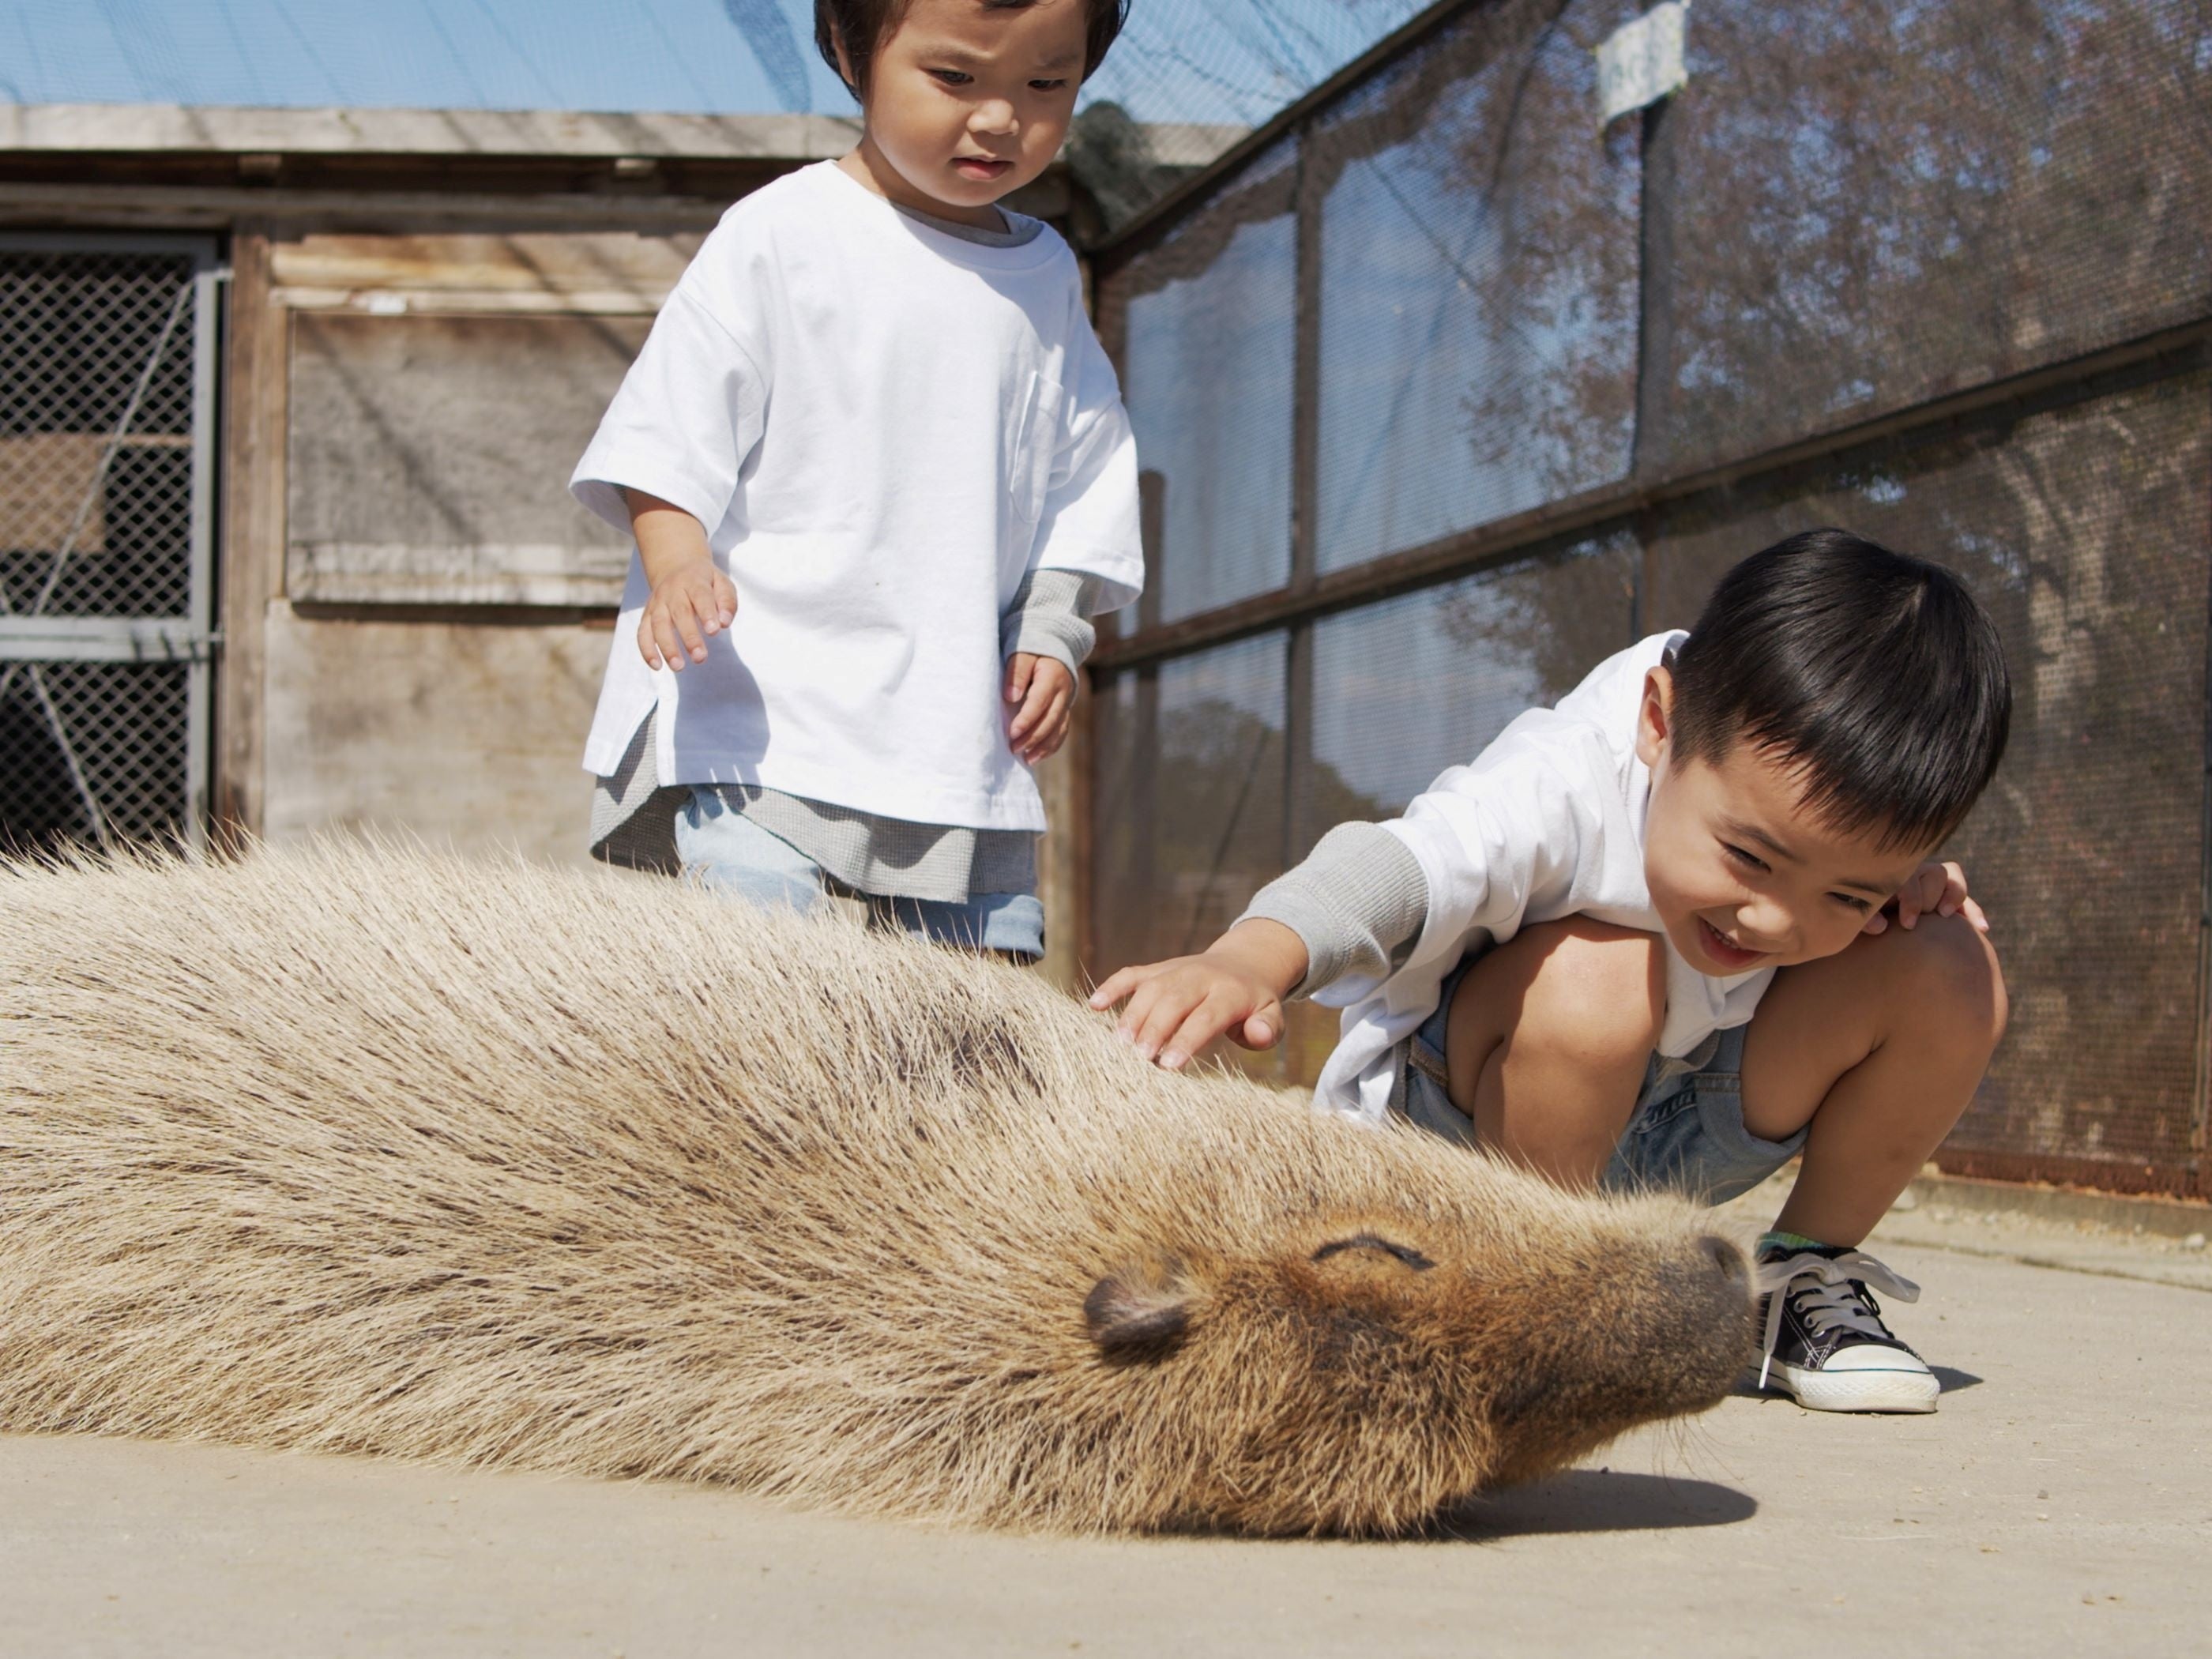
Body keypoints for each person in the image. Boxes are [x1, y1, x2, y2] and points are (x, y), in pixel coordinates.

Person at [1093, 530, 2012, 1413]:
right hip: (1461, 1144)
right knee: (1596, 980)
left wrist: (1887, 907)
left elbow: (1843, 896)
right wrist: (1249, 956)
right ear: (1661, 722)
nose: (1775, 919)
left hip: (1671, 1122)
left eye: (1845, 893)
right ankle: (1521, 1299)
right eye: (1751, 858)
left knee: (1947, 960)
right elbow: (1402, 866)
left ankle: (1802, 1275)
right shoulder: (1564, 778)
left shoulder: (1805, 875)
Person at [572, 0, 1142, 961]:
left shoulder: (1046, 277)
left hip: (952, 712)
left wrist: (1052, 628)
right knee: (756, 950)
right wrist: (676, 565)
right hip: (768, 693)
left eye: (1046, 83)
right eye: (956, 78)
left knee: (972, 986)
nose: (1002, 117)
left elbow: (1079, 482)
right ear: (849, 51)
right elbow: (669, 431)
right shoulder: (780, 234)